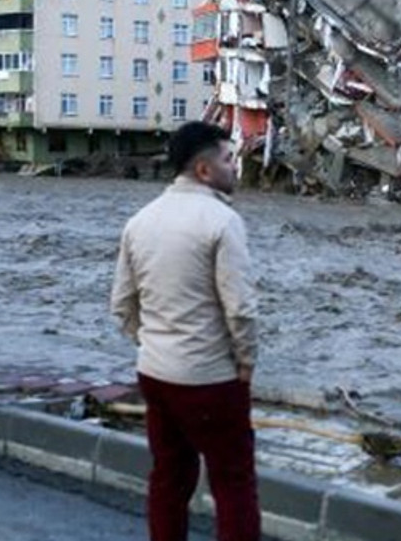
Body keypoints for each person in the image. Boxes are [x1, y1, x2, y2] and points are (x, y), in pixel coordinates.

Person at [110, 121, 259, 541]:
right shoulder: (222, 222)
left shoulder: (140, 222)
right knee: (234, 484)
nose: (236, 168)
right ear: (204, 170)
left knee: (169, 478)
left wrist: (152, 342)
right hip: (211, 378)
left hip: (155, 374)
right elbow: (241, 309)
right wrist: (245, 363)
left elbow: (121, 303)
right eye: (229, 159)